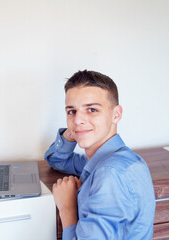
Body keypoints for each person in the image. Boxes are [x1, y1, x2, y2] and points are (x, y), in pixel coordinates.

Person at [45, 70, 155, 239]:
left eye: (91, 109)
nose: (78, 119)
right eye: (72, 111)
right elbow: (57, 160)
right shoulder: (112, 159)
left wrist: (67, 208)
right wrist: (74, 131)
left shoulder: (110, 173)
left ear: (116, 114)